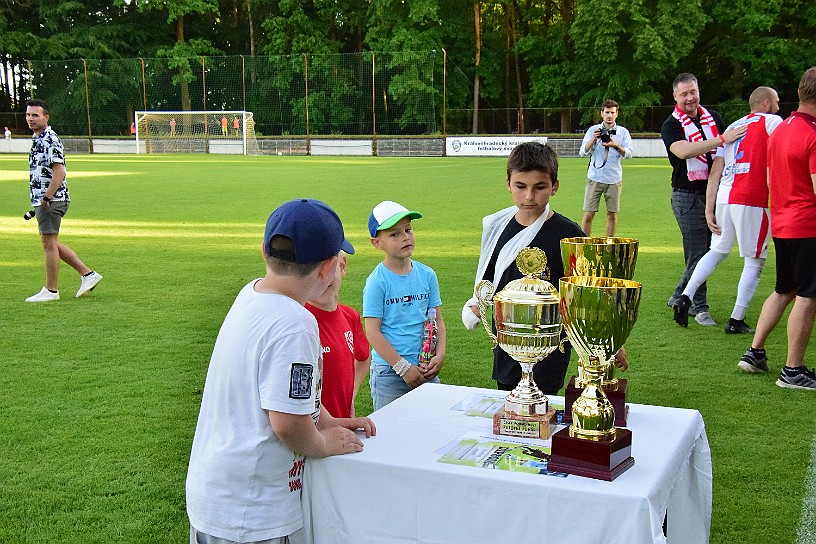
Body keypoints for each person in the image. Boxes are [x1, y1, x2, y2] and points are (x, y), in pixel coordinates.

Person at [186, 198, 377, 543]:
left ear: (264, 252)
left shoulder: (251, 295)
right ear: (327, 269)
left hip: (219, 496)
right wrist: (322, 443)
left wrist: (329, 421)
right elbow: (287, 423)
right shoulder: (296, 323)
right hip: (252, 512)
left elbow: (276, 392)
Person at [461, 142, 590, 395]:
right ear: (508, 183)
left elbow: (582, 292)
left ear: (554, 186)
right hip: (507, 345)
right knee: (510, 409)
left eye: (539, 187)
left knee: (542, 412)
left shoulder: (570, 235)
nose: (529, 196)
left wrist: (603, 343)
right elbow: (491, 277)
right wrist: (478, 304)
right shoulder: (497, 228)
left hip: (549, 350)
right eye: (521, 186)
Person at [673, 87, 782, 333]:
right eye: (775, 102)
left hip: (726, 194)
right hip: (752, 197)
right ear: (765, 103)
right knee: (755, 260)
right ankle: (736, 320)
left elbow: (716, 168)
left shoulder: (734, 126)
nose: (778, 106)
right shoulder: (773, 122)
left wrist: (710, 206)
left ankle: (685, 297)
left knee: (717, 250)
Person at [738, 67, 816, 390]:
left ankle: (754, 353)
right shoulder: (813, 134)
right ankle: (793, 369)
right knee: (809, 296)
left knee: (785, 290)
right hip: (807, 224)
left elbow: (771, 181)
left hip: (782, 222)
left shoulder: (780, 129)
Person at [662, 73, 747, 327]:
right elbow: (684, 150)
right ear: (675, 97)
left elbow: (723, 154)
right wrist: (721, 139)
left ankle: (679, 295)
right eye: (684, 94)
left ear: (699, 91)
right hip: (685, 196)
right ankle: (699, 308)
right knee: (699, 254)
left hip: (714, 193)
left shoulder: (714, 118)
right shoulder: (671, 124)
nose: (690, 98)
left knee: (708, 252)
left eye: (693, 92)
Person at [363, 200, 446, 410]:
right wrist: (402, 367)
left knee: (431, 427)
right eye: (394, 234)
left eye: (408, 229)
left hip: (425, 367)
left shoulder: (427, 275)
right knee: (391, 432)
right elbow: (372, 332)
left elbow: (437, 320)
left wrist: (439, 354)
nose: (405, 237)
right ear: (377, 243)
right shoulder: (377, 282)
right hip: (389, 373)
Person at [24, 99, 102, 303]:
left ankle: (51, 290)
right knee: (51, 243)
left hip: (52, 200)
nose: (31, 119)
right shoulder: (38, 138)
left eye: (35, 115)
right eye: (28, 115)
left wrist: (47, 197)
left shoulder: (49, 139)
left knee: (49, 244)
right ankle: (88, 274)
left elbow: (60, 172)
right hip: (45, 200)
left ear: (45, 117)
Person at [306, 252, 371, 418]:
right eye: (311, 270)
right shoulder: (300, 323)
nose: (321, 279)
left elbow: (363, 357)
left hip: (344, 430)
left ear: (342, 267)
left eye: (328, 269)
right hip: (314, 434)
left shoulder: (350, 317)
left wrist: (351, 394)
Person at [578, 99, 633, 236]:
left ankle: (610, 245)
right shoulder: (593, 130)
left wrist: (616, 146)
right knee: (589, 213)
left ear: (617, 114)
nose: (609, 115)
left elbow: (629, 154)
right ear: (602, 113)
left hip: (614, 178)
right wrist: (593, 139)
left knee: (612, 214)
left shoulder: (623, 132)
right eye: (607, 112)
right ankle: (585, 244)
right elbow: (582, 152)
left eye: (612, 112)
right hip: (595, 177)